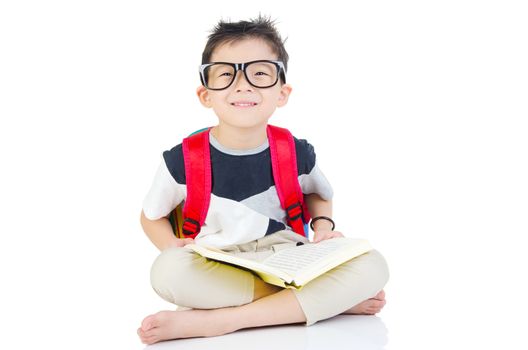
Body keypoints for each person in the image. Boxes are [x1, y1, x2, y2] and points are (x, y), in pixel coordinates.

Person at [137, 15, 389, 345]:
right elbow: (150, 217)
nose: (243, 85)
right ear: (205, 94)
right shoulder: (181, 160)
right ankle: (323, 302)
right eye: (226, 74)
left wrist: (324, 227)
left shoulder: (296, 151)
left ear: (281, 92)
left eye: (259, 74)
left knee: (374, 265)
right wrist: (173, 247)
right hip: (221, 263)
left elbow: (318, 195)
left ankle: (222, 321)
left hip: (290, 259)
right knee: (166, 271)